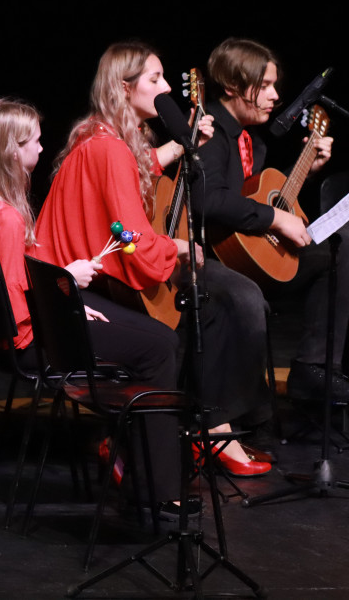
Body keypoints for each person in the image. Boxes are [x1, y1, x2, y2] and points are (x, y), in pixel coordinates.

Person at [34, 41, 273, 478]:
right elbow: (132, 244)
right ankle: (163, 444)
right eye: (155, 80)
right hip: (83, 288)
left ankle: (186, 430)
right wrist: (178, 247)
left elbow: (139, 167)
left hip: (77, 281)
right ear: (124, 89)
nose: (166, 90)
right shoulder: (110, 149)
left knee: (213, 301)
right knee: (202, 311)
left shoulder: (99, 135)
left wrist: (181, 147)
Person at [0, 98, 192, 518]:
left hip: (0, 340)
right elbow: (15, 309)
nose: (43, 150)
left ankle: (129, 458)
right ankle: (154, 489)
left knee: (139, 332)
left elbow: (11, 280)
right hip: (30, 343)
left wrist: (63, 284)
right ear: (13, 151)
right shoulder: (8, 219)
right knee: (160, 345)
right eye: (35, 142)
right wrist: (63, 297)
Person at [195, 37, 349, 408]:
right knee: (246, 297)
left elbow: (255, 194)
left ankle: (314, 368)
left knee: (347, 242)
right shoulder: (210, 132)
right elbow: (209, 200)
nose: (275, 95)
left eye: (275, 85)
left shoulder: (253, 141)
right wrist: (275, 218)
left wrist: (305, 172)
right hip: (212, 256)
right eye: (265, 86)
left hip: (252, 252)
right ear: (232, 86)